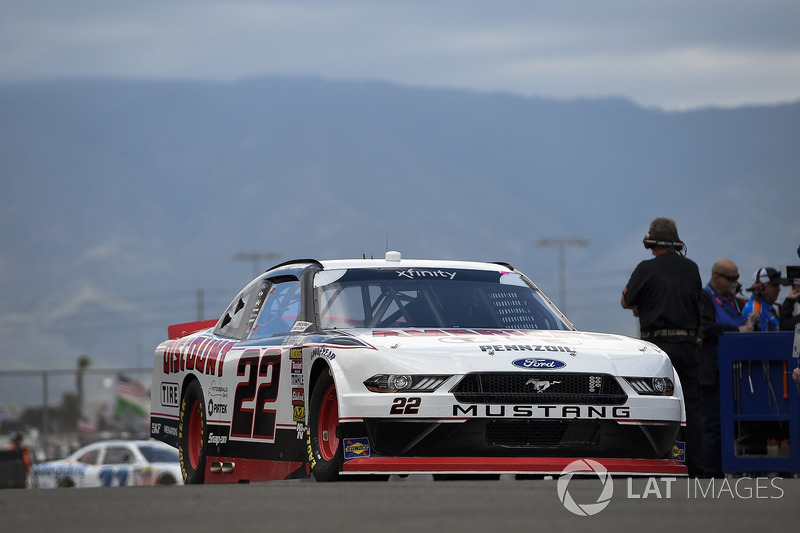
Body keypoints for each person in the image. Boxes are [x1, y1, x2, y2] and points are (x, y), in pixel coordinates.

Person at [621, 217, 703, 477]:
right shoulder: (692, 268)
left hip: (658, 349)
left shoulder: (645, 269)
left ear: (650, 242)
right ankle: (697, 467)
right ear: (677, 243)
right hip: (689, 345)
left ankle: (662, 464)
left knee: (657, 407)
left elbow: (626, 300)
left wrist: (640, 305)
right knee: (692, 409)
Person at [699, 259, 754, 478]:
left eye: (737, 278)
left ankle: (731, 469)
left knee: (735, 426)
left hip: (734, 375)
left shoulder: (734, 300)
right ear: (717, 277)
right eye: (731, 278)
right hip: (712, 374)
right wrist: (737, 330)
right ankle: (710, 474)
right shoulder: (705, 297)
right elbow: (706, 328)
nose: (735, 282)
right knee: (713, 426)